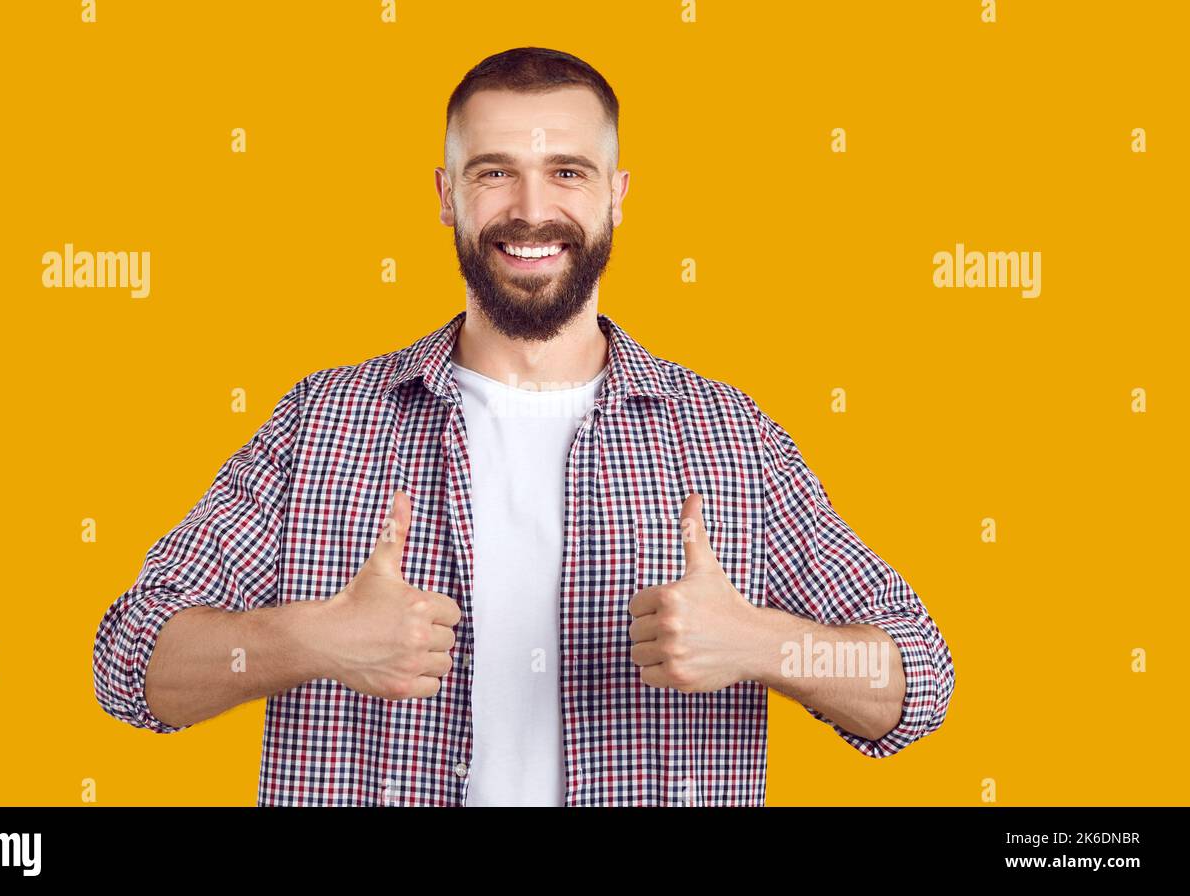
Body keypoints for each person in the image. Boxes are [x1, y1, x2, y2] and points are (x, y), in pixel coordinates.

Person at [93, 46, 955, 807]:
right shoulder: (323, 422)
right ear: (447, 194)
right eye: (494, 170)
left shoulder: (731, 439)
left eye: (569, 172)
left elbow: (917, 683)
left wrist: (767, 644)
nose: (531, 210)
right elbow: (129, 661)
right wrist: (308, 640)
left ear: (619, 197)